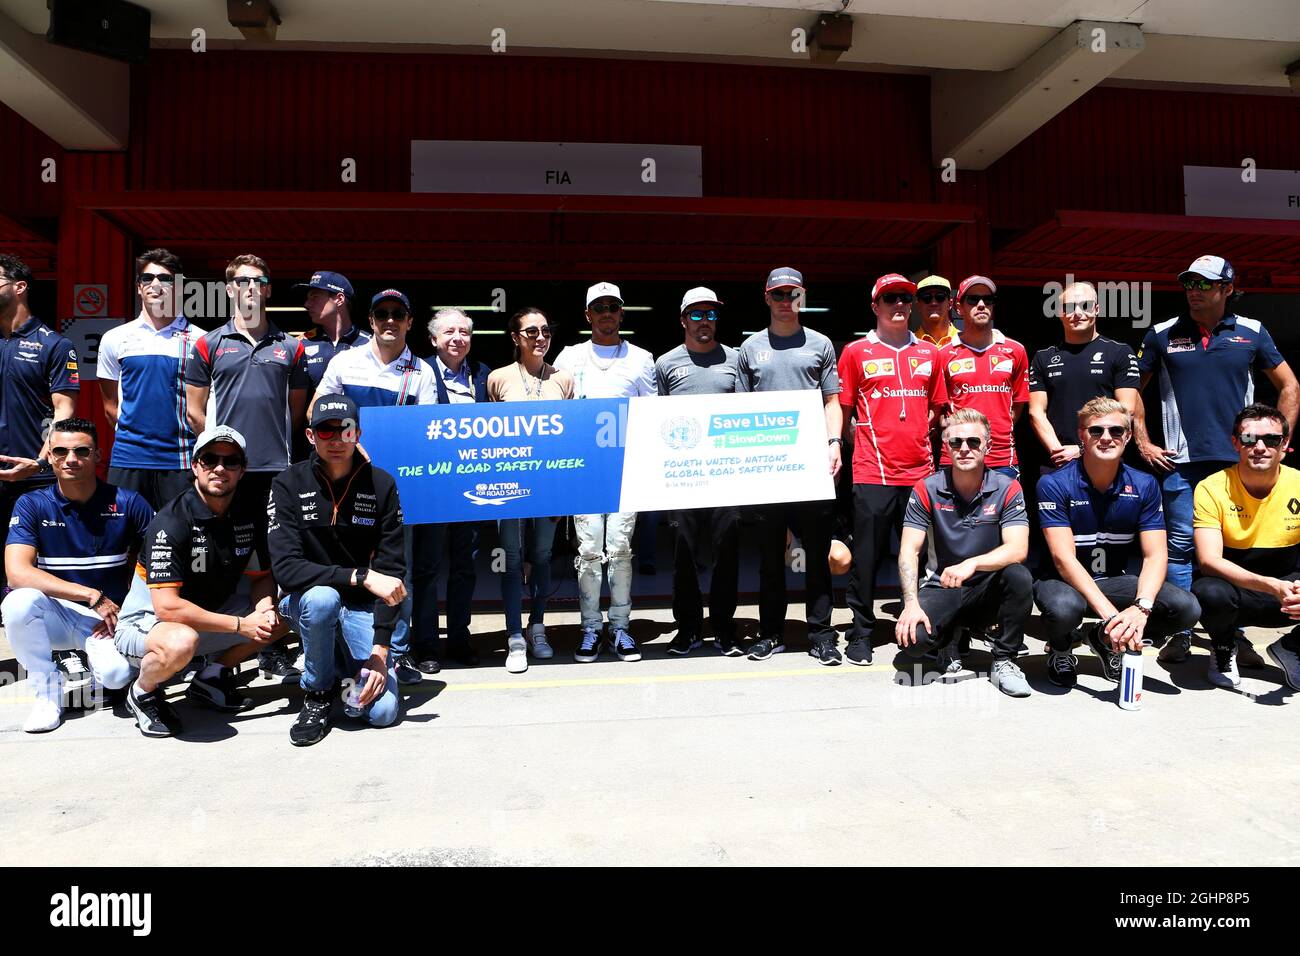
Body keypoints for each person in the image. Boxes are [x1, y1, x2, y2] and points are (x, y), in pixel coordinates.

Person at [1133, 255, 1299, 665]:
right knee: (1180, 547)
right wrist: (1143, 441)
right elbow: (1131, 389)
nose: (1195, 290)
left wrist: (1280, 439)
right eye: (1189, 283)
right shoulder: (1161, 333)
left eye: (1205, 284)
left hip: (1238, 462)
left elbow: (1290, 385)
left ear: (1227, 289)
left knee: (1230, 550)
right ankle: (1181, 631)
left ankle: (1232, 636)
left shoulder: (1252, 332)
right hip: (1180, 463)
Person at [113, 426, 289, 738]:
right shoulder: (170, 521)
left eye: (230, 461)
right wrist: (240, 626)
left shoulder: (247, 514)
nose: (220, 468)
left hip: (207, 617)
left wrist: (264, 610)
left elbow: (261, 576)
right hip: (148, 625)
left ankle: (211, 676)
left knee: (287, 610)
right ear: (195, 466)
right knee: (181, 642)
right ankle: (142, 692)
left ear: (242, 469)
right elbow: (168, 609)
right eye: (210, 459)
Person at [312, 289, 436, 680]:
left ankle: (395, 653)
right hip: (343, 485)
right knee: (345, 566)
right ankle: (339, 649)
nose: (389, 320)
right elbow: (317, 412)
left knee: (398, 570)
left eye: (397, 314)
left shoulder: (422, 372)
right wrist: (349, 442)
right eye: (381, 313)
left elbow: (426, 431)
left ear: (409, 322)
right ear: (370, 320)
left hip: (398, 490)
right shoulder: (345, 362)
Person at [1034, 398, 1200, 688]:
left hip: (1112, 579)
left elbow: (1155, 556)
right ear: (1081, 436)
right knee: (1063, 608)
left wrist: (1142, 608)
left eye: (1116, 431)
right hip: (1061, 581)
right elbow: (1064, 560)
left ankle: (1102, 639)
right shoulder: (1054, 483)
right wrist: (1113, 617)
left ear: (1129, 436)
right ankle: (1061, 649)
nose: (1107, 438)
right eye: (1096, 431)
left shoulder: (1145, 484)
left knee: (1186, 608)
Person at [270, 396, 406, 745]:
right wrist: (359, 575)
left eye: (344, 430)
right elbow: (286, 570)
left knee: (381, 713)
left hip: (361, 608)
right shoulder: (287, 483)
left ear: (357, 434)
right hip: (306, 601)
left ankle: (342, 667)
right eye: (325, 431)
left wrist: (380, 652)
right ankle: (316, 692)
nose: (335, 439)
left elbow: (392, 572)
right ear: (311, 436)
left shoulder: (383, 485)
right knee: (322, 600)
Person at [1, 418, 152, 732]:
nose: (71, 459)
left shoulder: (127, 501)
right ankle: (47, 694)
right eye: (61, 451)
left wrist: (134, 612)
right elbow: (16, 573)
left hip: (108, 619)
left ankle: (98, 670)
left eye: (81, 450)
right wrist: (91, 595)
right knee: (17, 603)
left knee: (115, 675)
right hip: (58, 612)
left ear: (97, 455)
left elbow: (160, 561)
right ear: (52, 457)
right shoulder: (31, 504)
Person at [836, 273, 947, 666]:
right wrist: (848, 445)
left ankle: (919, 630)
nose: (898, 305)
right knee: (865, 559)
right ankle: (862, 633)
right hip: (872, 473)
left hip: (920, 474)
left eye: (904, 298)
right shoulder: (855, 352)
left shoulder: (930, 355)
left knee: (921, 560)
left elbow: (937, 411)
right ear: (875, 306)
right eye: (889, 299)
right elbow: (843, 411)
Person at [736, 267, 843, 665]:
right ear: (766, 297)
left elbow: (833, 401)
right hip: (766, 469)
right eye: (778, 294)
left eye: (792, 294)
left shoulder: (820, 343)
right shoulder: (750, 348)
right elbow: (741, 411)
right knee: (769, 558)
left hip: (810, 465)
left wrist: (834, 443)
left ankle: (821, 634)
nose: (785, 301)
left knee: (816, 556)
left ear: (802, 296)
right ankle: (771, 633)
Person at [895, 409, 1034, 697]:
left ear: (988, 446)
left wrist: (972, 564)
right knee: (914, 641)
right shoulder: (926, 488)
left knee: (1019, 576)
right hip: (942, 584)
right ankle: (950, 636)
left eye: (973, 442)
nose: (965, 449)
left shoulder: (1008, 488)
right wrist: (911, 604)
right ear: (946, 447)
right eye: (956, 443)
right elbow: (910, 549)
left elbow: (1018, 549)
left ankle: (1004, 660)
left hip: (987, 586)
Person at [554, 281, 656, 663]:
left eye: (613, 306)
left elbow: (651, 414)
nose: (607, 313)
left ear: (621, 313)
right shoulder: (568, 357)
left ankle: (621, 627)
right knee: (589, 550)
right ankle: (590, 628)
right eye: (600, 307)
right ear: (588, 315)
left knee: (621, 549)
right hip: (583, 470)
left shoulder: (641, 358)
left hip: (625, 469)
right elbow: (557, 416)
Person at [654, 287, 743, 656]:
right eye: (696, 315)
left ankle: (724, 627)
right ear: (682, 320)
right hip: (683, 476)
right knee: (684, 554)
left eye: (711, 315)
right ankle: (688, 628)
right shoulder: (666, 364)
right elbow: (657, 421)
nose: (704, 321)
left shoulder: (737, 360)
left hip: (727, 474)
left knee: (728, 551)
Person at [487, 307, 575, 672]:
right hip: (508, 484)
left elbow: (570, 433)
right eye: (531, 332)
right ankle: (513, 636)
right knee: (509, 559)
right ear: (515, 338)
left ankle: (537, 626)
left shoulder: (564, 380)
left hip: (550, 483)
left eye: (545, 331)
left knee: (541, 557)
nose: (540, 338)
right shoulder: (498, 379)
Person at [185, 254, 311, 507]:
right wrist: (220, 451)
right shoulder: (207, 344)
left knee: (273, 546)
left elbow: (295, 412)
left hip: (276, 466)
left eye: (259, 280)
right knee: (226, 545)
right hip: (225, 469)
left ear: (268, 289)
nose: (251, 287)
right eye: (243, 281)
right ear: (230, 290)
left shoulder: (292, 346)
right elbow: (194, 412)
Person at [1191, 404, 1300, 692]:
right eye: (1250, 439)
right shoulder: (1211, 487)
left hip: (1288, 587)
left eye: (1271, 440)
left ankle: (1293, 647)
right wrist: (1270, 585)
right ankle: (1224, 647)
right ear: (1236, 443)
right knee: (1208, 591)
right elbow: (1209, 560)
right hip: (1236, 590)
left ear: (1285, 444)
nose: (1260, 447)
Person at [408, 307, 492, 675]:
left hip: (471, 488)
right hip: (432, 488)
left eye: (464, 332)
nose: (458, 338)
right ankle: (425, 643)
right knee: (426, 569)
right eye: (450, 332)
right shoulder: (418, 372)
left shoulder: (482, 374)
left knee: (464, 568)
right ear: (433, 339)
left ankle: (459, 637)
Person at [97, 248, 203, 510]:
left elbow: (206, 405)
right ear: (139, 288)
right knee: (124, 542)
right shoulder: (114, 338)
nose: (155, 285)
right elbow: (110, 407)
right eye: (147, 279)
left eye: (165, 278)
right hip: (128, 460)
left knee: (183, 542)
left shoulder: (201, 340)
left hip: (181, 460)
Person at [0, 254, 79, 588]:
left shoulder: (55, 344)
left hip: (32, 475)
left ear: (19, 287)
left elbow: (65, 410)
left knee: (32, 562)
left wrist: (37, 461)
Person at [1027, 281, 1142, 470]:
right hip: (1057, 462)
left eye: (1085, 306)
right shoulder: (1044, 357)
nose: (1077, 313)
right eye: (1069, 307)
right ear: (1059, 313)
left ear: (1096, 309)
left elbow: (1126, 410)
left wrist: (1082, 449)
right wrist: (1059, 453)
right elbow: (1036, 412)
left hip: (1105, 459)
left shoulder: (1120, 352)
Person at [939, 275, 1029, 479]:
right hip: (955, 456)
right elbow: (938, 408)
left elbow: (1018, 404)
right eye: (972, 299)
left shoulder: (1015, 350)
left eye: (988, 300)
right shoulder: (943, 354)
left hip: (1002, 458)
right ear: (958, 307)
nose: (981, 305)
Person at [295, 270, 367, 393]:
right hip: (312, 412)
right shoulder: (298, 344)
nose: (307, 304)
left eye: (315, 297)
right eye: (308, 298)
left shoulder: (370, 344)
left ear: (339, 299)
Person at [914, 275, 960, 348]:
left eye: (940, 297)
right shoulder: (910, 344)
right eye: (927, 297)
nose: (934, 303)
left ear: (950, 303)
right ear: (918, 306)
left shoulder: (964, 341)